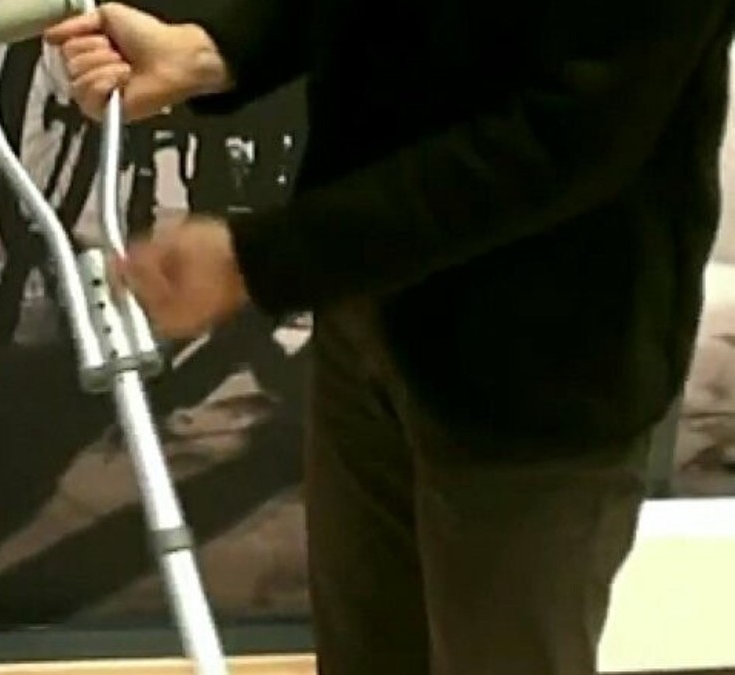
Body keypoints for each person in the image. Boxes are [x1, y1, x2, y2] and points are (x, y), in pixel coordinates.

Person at [45, 0, 735, 673]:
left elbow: (565, 136)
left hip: (537, 370)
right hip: (370, 314)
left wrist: (262, 259)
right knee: (363, 645)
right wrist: (211, 48)